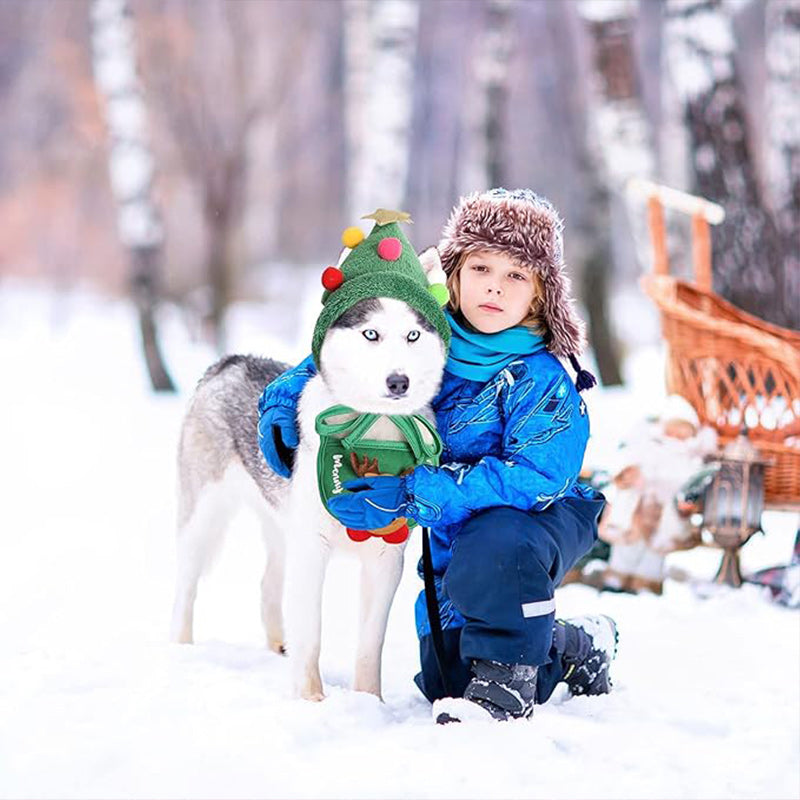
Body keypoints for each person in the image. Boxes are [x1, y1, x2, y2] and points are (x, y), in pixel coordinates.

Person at [258, 188, 617, 723]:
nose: (495, 284)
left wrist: (415, 489)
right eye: (480, 266)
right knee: (446, 676)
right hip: (449, 527)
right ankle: (568, 648)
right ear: (452, 275)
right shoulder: (425, 339)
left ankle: (509, 686)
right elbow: (342, 355)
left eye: (517, 275)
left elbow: (538, 475)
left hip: (535, 516)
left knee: (494, 546)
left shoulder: (540, 375)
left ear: (540, 295)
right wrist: (284, 402)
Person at [599, 394, 718, 595]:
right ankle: (616, 578)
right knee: (628, 545)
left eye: (683, 429)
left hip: (666, 512)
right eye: (673, 427)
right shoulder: (648, 443)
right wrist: (630, 473)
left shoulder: (691, 454)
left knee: (655, 550)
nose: (677, 435)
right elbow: (628, 461)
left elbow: (689, 480)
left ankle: (647, 583)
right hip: (639, 505)